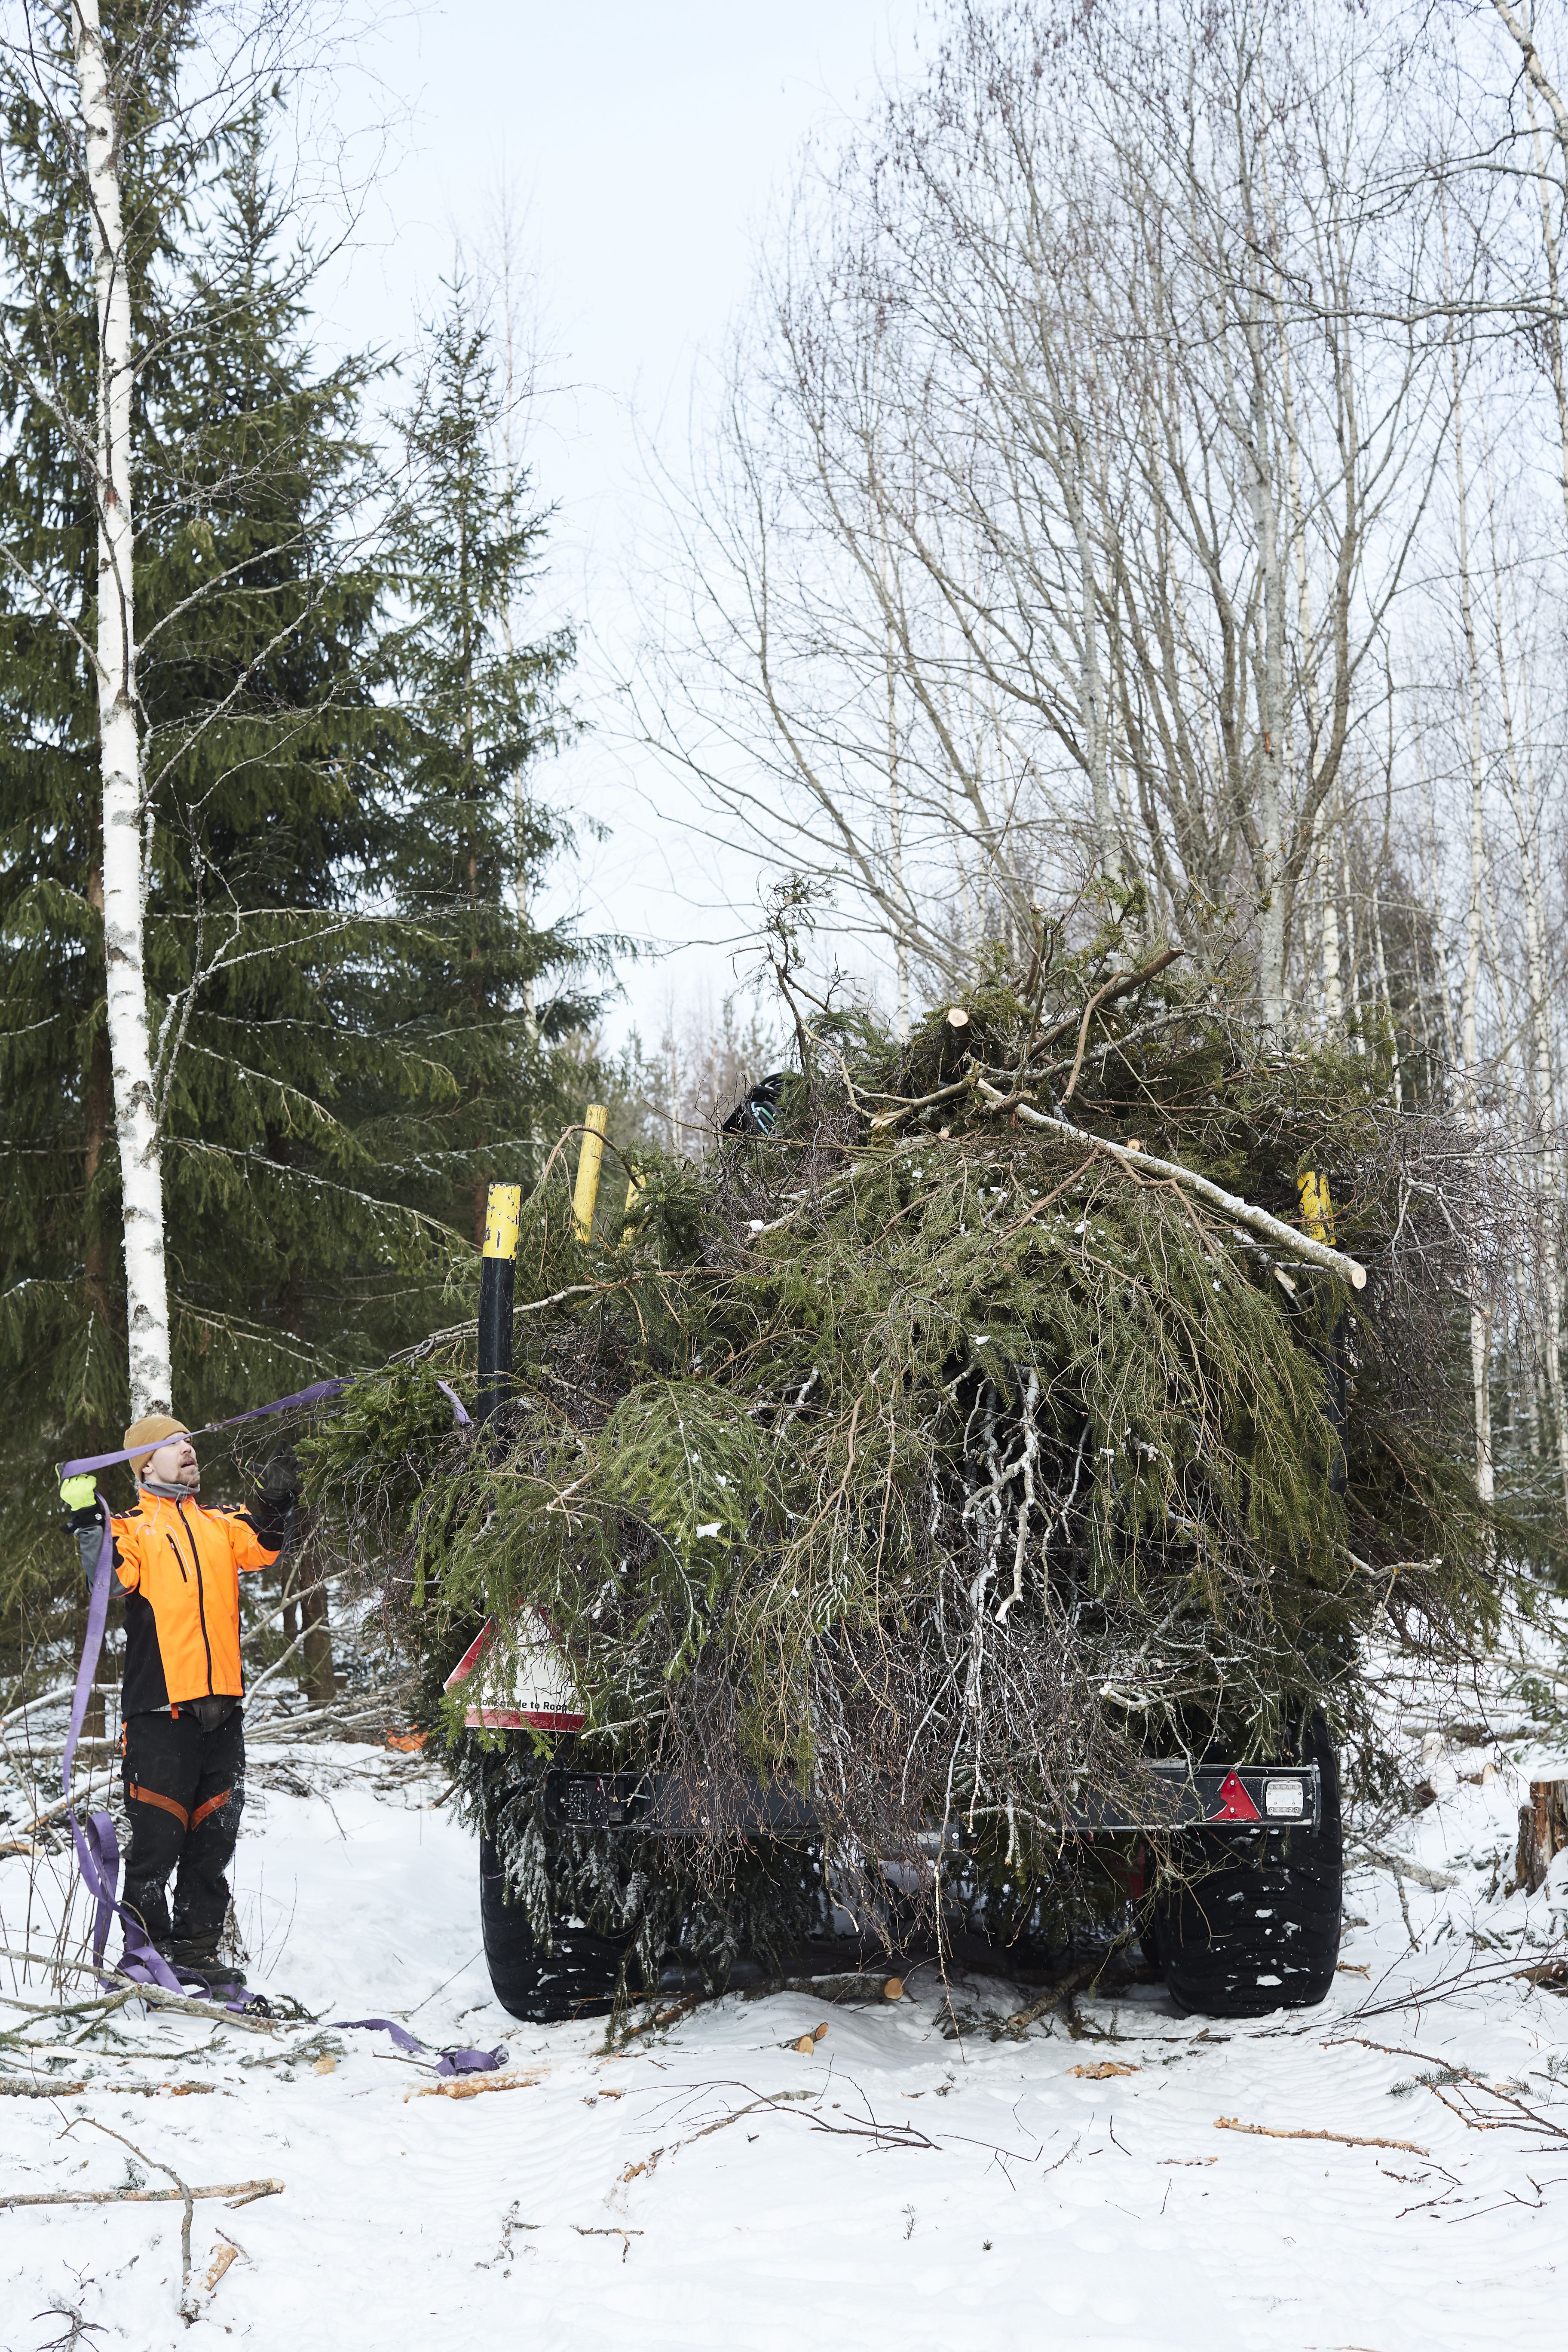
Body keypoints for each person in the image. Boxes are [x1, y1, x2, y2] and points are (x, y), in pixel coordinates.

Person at [59, 1416, 297, 1990]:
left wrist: (275, 1496)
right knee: (156, 1846)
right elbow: (110, 1581)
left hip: (223, 1715)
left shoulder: (220, 1526)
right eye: (173, 1444)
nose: (188, 1448)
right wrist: (87, 1518)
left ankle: (195, 1951)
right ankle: (146, 1956)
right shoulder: (134, 1530)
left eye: (189, 1440)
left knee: (213, 1842)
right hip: (159, 1715)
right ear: (146, 1465)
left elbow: (264, 1547)